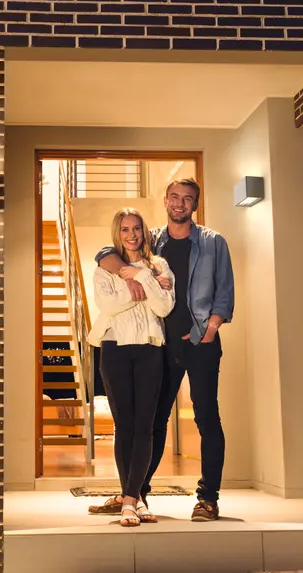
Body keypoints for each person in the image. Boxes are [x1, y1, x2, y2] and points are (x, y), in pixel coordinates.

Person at [88, 178, 234, 522]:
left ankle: (207, 498)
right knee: (153, 421)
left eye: (187, 198)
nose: (180, 203)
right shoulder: (153, 240)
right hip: (162, 345)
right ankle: (135, 493)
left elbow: (225, 291)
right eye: (175, 197)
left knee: (207, 418)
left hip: (200, 342)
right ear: (166, 201)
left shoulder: (213, 242)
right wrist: (131, 274)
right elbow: (106, 252)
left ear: (195, 204)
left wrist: (211, 328)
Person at [86, 208, 175, 527]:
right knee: (124, 425)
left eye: (136, 228)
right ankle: (131, 499)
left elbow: (164, 307)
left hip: (150, 348)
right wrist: (139, 285)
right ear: (118, 233)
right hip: (115, 349)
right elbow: (107, 305)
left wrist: (143, 277)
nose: (132, 235)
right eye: (125, 229)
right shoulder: (105, 267)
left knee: (145, 426)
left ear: (144, 231)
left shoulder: (159, 265)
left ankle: (132, 498)